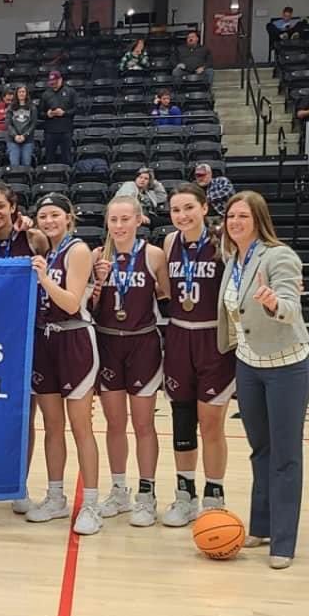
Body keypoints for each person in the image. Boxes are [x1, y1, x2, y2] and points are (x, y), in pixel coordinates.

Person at [218, 191, 309, 569]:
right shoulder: (232, 259)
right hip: (248, 364)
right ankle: (261, 526)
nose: (235, 222)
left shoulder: (279, 256)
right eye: (231, 216)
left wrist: (275, 303)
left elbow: (291, 304)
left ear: (258, 219)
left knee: (286, 456)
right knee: (261, 449)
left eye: (243, 216)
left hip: (287, 366)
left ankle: (284, 541)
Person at [89, 197, 171, 527]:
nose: (119, 225)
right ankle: (119, 490)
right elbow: (89, 307)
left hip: (142, 344)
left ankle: (146, 495)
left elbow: (167, 301)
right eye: (114, 220)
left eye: (125, 219)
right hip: (108, 342)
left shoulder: (154, 255)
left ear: (139, 220)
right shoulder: (97, 256)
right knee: (114, 423)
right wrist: (97, 285)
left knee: (143, 424)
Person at [25, 193, 102, 535]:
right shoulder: (46, 250)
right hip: (45, 340)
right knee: (52, 426)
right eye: (43, 216)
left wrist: (44, 279)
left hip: (74, 339)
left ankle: (91, 504)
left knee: (81, 426)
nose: (49, 221)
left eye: (55, 214)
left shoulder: (78, 250)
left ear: (69, 217)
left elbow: (71, 303)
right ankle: (55, 497)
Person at [161, 183, 235, 526]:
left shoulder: (223, 241)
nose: (182, 215)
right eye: (176, 210)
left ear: (205, 208)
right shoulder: (169, 242)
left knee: (211, 423)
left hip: (213, 337)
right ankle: (184, 494)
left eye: (189, 207)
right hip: (179, 336)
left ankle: (214, 495)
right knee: (182, 419)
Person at [0, 181, 50, 516]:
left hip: (26, 336)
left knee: (24, 416)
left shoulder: (33, 239)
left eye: (0, 206)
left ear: (13, 206)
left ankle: (19, 484)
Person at [39, 71, 77, 165]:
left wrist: (64, 113)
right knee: (49, 157)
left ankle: (67, 172)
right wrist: (47, 114)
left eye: (55, 81)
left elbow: (76, 109)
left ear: (60, 80)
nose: (53, 83)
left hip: (66, 130)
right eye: (51, 81)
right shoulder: (45, 94)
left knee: (67, 157)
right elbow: (40, 113)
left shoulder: (70, 92)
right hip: (50, 130)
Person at [6, 85, 37, 168]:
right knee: (14, 164)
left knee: (26, 163)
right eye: (19, 92)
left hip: (28, 140)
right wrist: (15, 135)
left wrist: (25, 135)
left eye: (23, 92)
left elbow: (33, 124)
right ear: (16, 94)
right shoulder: (11, 107)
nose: (21, 94)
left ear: (26, 93)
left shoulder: (32, 107)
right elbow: (8, 124)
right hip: (13, 140)